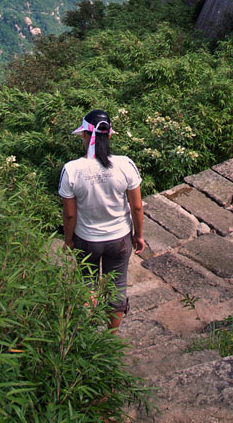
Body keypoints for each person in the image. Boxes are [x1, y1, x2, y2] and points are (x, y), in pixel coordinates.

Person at [58, 109, 145, 331]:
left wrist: (69, 241)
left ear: (86, 136)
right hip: (119, 239)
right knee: (117, 287)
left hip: (86, 239)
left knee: (87, 285)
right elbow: (136, 206)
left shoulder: (72, 170)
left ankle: (87, 333)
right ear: (110, 135)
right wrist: (139, 235)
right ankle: (110, 336)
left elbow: (70, 214)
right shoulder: (125, 165)